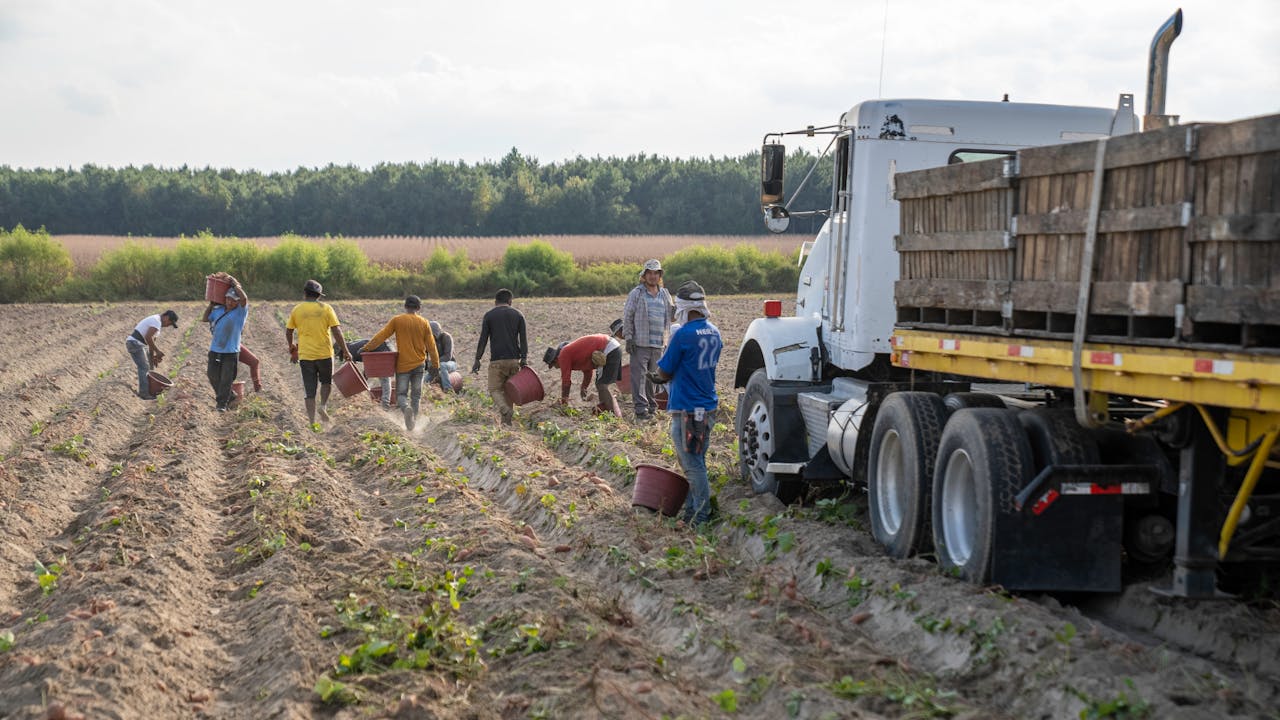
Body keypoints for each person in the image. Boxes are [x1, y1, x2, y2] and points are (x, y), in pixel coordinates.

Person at [648, 280, 722, 527]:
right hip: (707, 405)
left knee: (692, 464)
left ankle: (701, 515)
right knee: (696, 459)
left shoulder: (683, 334)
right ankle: (691, 511)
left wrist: (657, 377)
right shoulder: (714, 332)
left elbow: (665, 370)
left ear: (683, 308)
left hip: (688, 408)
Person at [365, 295, 441, 431]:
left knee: (401, 395)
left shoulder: (397, 320)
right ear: (418, 308)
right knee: (416, 396)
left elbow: (381, 336)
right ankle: (413, 423)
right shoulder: (424, 323)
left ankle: (406, 409)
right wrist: (435, 364)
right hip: (419, 365)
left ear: (405, 306)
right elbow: (432, 346)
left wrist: (367, 348)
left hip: (403, 366)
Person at [285, 279, 353, 425]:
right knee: (326, 382)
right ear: (319, 296)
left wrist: (292, 348)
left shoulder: (297, 309)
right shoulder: (326, 308)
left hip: (306, 356)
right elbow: (337, 331)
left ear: (304, 293)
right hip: (324, 354)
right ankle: (323, 406)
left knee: (309, 390)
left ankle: (311, 422)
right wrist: (345, 350)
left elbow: (289, 331)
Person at [622, 258, 673, 420]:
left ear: (660, 276)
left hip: (659, 343)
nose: (652, 276)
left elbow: (672, 315)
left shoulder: (665, 294)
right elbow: (628, 316)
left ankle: (652, 407)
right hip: (640, 342)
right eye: (649, 273)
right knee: (639, 377)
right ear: (644, 276)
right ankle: (640, 409)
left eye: (655, 273)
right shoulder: (636, 293)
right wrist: (629, 338)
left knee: (653, 378)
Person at [472, 288, 528, 426]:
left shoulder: (489, 315)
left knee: (494, 389)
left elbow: (483, 339)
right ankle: (506, 423)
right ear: (510, 301)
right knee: (509, 390)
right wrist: (524, 358)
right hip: (514, 360)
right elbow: (524, 339)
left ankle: (504, 410)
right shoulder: (518, 315)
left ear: (495, 302)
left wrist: (477, 359)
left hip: (497, 360)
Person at [543, 326, 624, 418]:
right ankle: (607, 412)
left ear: (555, 360)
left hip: (608, 348)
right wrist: (584, 387)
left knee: (602, 385)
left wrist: (564, 403)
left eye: (554, 365)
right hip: (611, 347)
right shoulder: (572, 354)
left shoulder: (563, 355)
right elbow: (588, 371)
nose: (556, 368)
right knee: (600, 384)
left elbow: (566, 382)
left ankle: (615, 416)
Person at [203, 273, 249, 412]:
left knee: (226, 379)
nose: (230, 302)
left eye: (233, 300)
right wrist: (211, 305)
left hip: (231, 351)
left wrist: (235, 284)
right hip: (215, 349)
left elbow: (244, 299)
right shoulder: (219, 310)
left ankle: (221, 405)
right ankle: (230, 396)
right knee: (212, 375)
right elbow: (205, 318)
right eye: (228, 299)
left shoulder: (240, 313)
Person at [125, 308, 178, 400]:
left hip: (139, 344)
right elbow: (148, 337)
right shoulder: (156, 321)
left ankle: (149, 391)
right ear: (166, 317)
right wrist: (158, 351)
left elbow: (151, 342)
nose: (168, 325)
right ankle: (144, 393)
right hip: (135, 343)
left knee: (149, 366)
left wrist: (152, 357)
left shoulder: (158, 324)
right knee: (144, 367)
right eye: (170, 322)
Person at [337, 337, 392, 407]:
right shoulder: (352, 345)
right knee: (367, 375)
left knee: (384, 378)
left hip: (382, 350)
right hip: (378, 351)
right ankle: (383, 402)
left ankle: (385, 404)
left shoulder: (350, 351)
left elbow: (350, 372)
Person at [426, 320, 458, 391]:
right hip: (437, 365)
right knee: (425, 381)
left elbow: (448, 356)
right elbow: (424, 355)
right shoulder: (429, 341)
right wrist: (427, 364)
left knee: (443, 365)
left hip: (450, 363)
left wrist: (434, 363)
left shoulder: (446, 337)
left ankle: (448, 389)